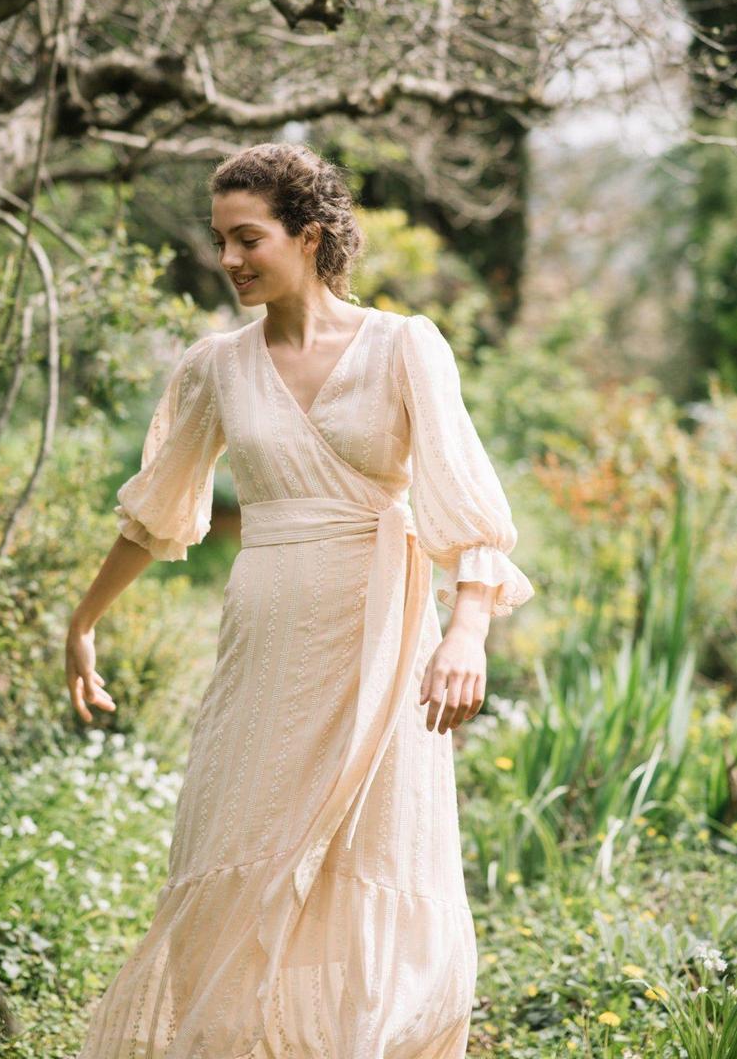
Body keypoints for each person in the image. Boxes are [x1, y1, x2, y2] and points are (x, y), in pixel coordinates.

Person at [66, 141, 535, 1059]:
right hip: (265, 633)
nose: (230, 259)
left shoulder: (406, 347)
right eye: (221, 241)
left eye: (249, 238)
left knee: (373, 855)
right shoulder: (215, 366)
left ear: (309, 237)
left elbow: (466, 509)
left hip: (381, 631)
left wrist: (465, 633)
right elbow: (155, 513)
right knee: (228, 837)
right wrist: (82, 622)